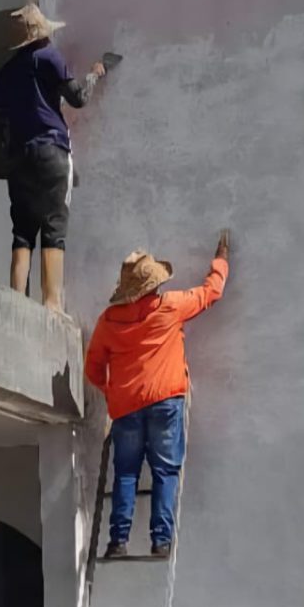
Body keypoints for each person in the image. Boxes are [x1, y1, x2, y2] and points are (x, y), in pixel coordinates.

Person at [85, 231, 231, 559]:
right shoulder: (170, 307)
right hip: (165, 401)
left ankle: (117, 542)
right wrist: (221, 259)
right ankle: (161, 541)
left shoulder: (108, 321)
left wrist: (112, 392)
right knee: (164, 471)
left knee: (125, 473)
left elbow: (92, 368)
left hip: (125, 408)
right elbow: (211, 292)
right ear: (154, 285)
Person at [0, 3, 108, 313]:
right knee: (54, 226)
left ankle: (16, 301)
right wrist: (95, 74)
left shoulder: (4, 75)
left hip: (18, 157)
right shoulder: (48, 57)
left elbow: (0, 124)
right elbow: (78, 98)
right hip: (50, 151)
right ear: (42, 34)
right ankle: (52, 303)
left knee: (22, 231)